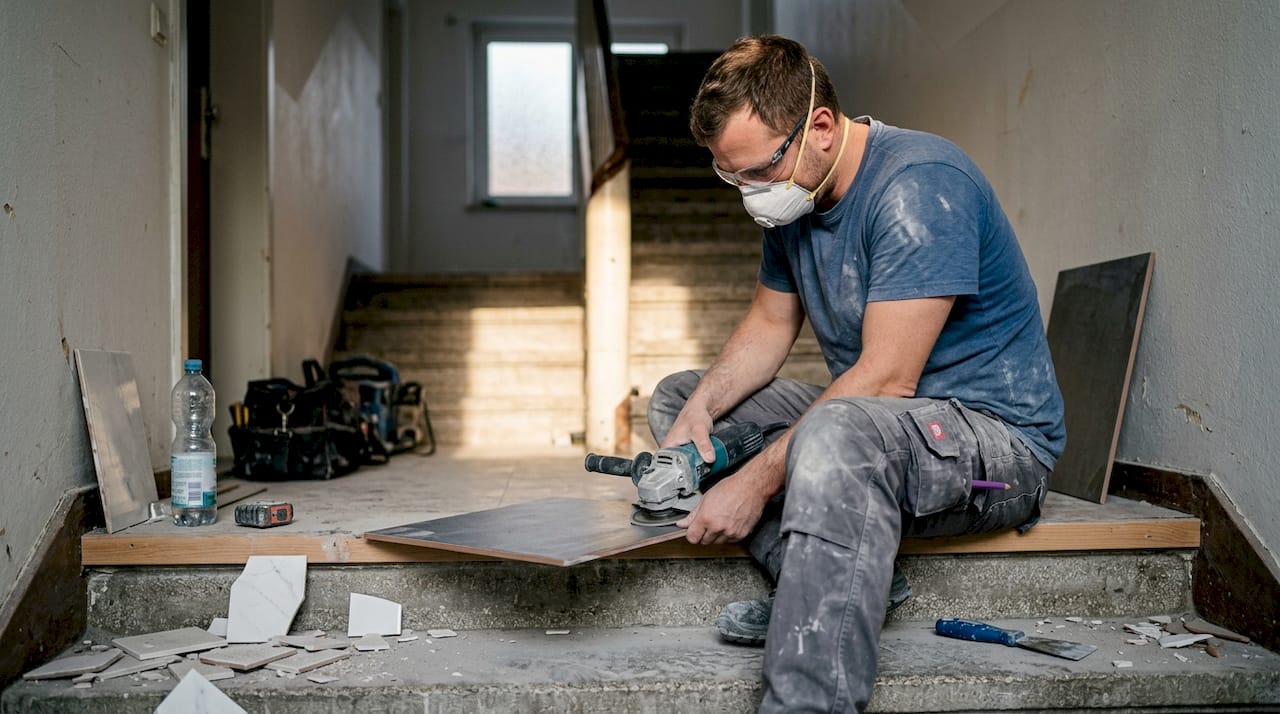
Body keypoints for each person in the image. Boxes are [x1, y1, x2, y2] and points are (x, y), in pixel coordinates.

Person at [646, 35, 1065, 712]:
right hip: (881, 429)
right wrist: (701, 410)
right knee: (679, 400)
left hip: (997, 455)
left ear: (819, 126)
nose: (750, 193)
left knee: (835, 434)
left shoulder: (920, 184)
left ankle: (807, 701)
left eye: (757, 171)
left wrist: (752, 481)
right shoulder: (797, 193)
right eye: (732, 177)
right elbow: (768, 327)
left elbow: (887, 378)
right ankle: (833, 579)